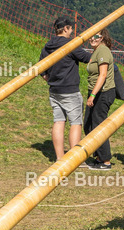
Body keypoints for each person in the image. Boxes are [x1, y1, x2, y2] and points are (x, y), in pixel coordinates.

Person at [39, 15, 91, 160]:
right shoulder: (70, 45)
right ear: (66, 29)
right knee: (76, 123)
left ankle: (60, 158)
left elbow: (41, 69)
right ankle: (74, 160)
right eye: (70, 28)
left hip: (54, 90)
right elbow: (88, 58)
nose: (71, 31)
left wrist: (51, 79)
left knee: (59, 121)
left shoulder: (47, 46)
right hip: (70, 90)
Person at [82, 28, 116, 170]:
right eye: (91, 36)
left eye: (96, 36)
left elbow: (102, 75)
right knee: (88, 125)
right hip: (95, 91)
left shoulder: (103, 50)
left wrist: (93, 95)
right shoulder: (96, 51)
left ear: (102, 37)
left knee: (98, 126)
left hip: (103, 92)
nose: (92, 39)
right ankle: (98, 157)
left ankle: (105, 161)